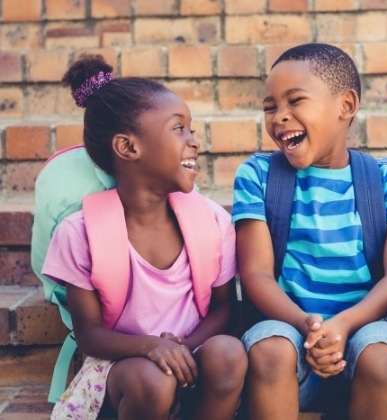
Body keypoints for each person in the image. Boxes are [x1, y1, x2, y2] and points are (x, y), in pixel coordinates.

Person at [42, 54, 247, 420]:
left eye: (191, 129)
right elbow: (88, 334)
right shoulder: (80, 233)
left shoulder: (213, 222)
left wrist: (181, 347)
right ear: (128, 148)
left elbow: (225, 309)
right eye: (178, 129)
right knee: (153, 379)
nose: (194, 141)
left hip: (192, 354)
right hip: (123, 370)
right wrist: (150, 347)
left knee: (229, 353)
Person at [232, 43, 387, 419]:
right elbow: (254, 272)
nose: (279, 117)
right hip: (287, 334)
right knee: (270, 350)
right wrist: (306, 325)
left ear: (346, 106)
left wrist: (344, 326)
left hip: (364, 334)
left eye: (295, 101)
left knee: (386, 358)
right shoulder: (257, 175)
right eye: (270, 107)